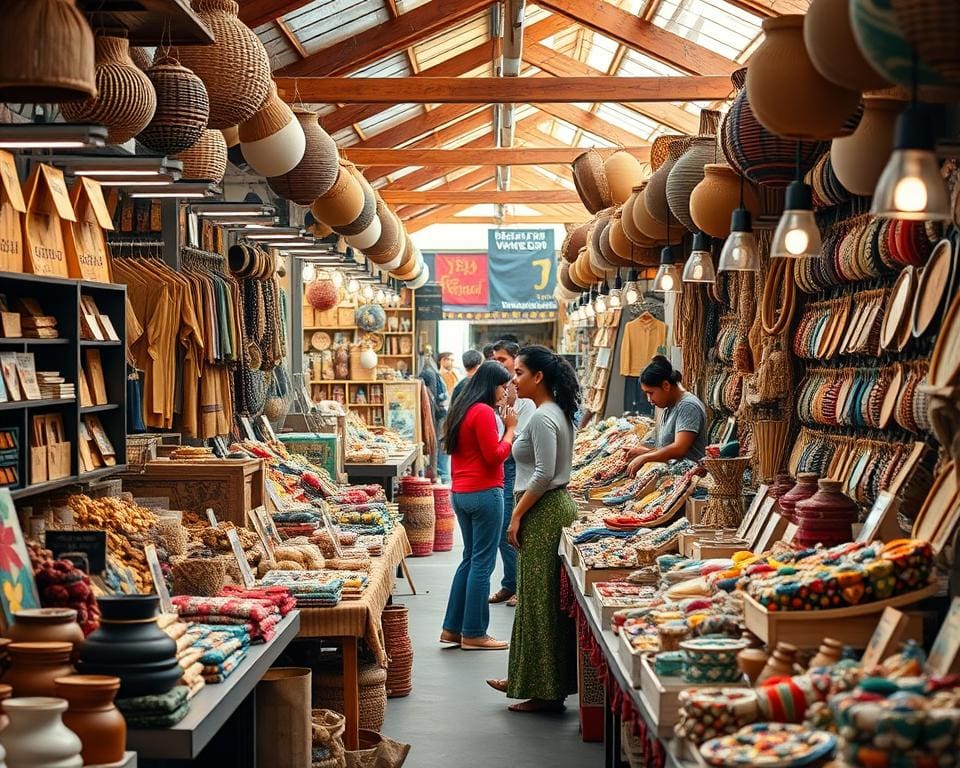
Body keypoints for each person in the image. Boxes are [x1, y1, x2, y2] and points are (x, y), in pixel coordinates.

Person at [486, 346, 580, 712]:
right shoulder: (554, 412)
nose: (514, 379)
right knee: (535, 599)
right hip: (547, 508)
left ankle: (545, 691)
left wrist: (516, 516)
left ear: (539, 377)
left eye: (520, 372)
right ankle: (528, 677)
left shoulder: (543, 417)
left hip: (543, 510)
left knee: (540, 603)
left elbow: (542, 474)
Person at [440, 361, 517, 651]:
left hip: (461, 492)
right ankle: (474, 632)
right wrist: (510, 430)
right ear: (491, 385)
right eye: (503, 386)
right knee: (483, 563)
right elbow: (494, 455)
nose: (506, 392)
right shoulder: (483, 412)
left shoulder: (462, 409)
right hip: (485, 493)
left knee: (470, 559)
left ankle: (452, 628)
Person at [488, 340, 535, 607]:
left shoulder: (525, 401)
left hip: (514, 467)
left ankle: (518, 585)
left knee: (509, 526)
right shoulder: (504, 399)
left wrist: (507, 427)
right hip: (502, 466)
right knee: (501, 529)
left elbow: (516, 441)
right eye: (495, 358)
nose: (499, 363)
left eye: (503, 359)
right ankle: (510, 583)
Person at [626, 355, 707, 476]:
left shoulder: (688, 406)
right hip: (674, 478)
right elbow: (669, 449)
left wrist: (646, 457)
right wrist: (645, 453)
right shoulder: (669, 406)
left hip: (690, 482)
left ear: (666, 386)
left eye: (651, 393)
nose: (649, 399)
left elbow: (679, 449)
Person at [419, 354, 450, 483]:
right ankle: (441, 474)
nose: (451, 362)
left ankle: (441, 473)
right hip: (439, 415)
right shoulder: (433, 374)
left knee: (439, 444)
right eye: (449, 359)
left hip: (439, 415)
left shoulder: (433, 374)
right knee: (438, 444)